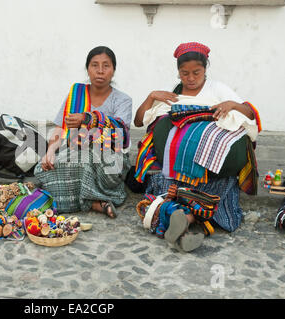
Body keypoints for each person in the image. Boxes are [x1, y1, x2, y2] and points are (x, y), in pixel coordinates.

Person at [134, 42, 261, 251]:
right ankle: (187, 225)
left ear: (205, 69)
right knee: (167, 187)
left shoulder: (217, 88)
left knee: (209, 188)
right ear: (178, 72)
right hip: (175, 172)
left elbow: (249, 113)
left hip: (211, 172)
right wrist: (151, 96)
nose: (191, 78)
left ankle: (183, 220)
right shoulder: (173, 93)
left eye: (196, 72)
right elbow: (140, 122)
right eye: (184, 73)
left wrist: (231, 105)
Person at [34, 46, 133, 218]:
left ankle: (85, 199)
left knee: (85, 163)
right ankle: (93, 201)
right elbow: (61, 128)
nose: (100, 71)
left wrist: (88, 119)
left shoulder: (123, 100)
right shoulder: (76, 94)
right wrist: (50, 151)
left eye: (106, 66)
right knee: (42, 169)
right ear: (87, 69)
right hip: (76, 150)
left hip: (111, 156)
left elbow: (120, 134)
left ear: (113, 70)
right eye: (94, 65)